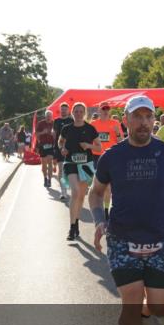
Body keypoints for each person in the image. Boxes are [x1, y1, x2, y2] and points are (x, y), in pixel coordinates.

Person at [89, 95, 164, 325]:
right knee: (130, 303)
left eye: (148, 117)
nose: (144, 123)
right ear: (126, 120)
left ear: (154, 120)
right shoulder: (112, 157)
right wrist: (99, 221)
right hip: (121, 239)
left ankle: (147, 313)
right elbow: (96, 192)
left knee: (159, 306)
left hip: (158, 239)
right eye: (138, 117)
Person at [59, 102, 101, 241]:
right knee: (75, 192)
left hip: (85, 165)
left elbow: (99, 148)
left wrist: (88, 145)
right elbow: (60, 141)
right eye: (75, 111)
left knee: (81, 196)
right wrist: (62, 149)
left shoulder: (90, 128)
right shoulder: (66, 128)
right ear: (72, 113)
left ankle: (76, 223)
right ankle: (71, 227)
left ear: (85, 113)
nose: (78, 113)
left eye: (80, 111)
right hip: (70, 163)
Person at [90, 103, 125, 217]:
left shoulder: (115, 123)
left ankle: (106, 210)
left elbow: (121, 141)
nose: (105, 111)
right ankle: (97, 207)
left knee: (109, 186)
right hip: (97, 156)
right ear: (99, 111)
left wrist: (117, 132)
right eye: (103, 109)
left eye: (107, 109)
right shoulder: (93, 124)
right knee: (98, 185)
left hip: (111, 156)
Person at [52, 102, 74, 202]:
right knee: (61, 170)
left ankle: (71, 188)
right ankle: (63, 191)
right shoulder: (56, 121)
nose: (64, 111)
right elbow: (54, 134)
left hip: (71, 149)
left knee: (70, 170)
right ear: (60, 110)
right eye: (62, 109)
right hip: (60, 148)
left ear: (68, 110)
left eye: (65, 109)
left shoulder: (71, 120)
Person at [35, 110, 56, 187]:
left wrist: (54, 135)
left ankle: (50, 180)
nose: (48, 118)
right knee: (44, 163)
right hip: (42, 145)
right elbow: (36, 134)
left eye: (50, 116)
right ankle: (45, 178)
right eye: (47, 116)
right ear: (45, 116)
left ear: (52, 117)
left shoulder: (54, 123)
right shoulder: (41, 123)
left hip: (51, 145)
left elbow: (58, 135)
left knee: (50, 161)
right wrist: (42, 132)